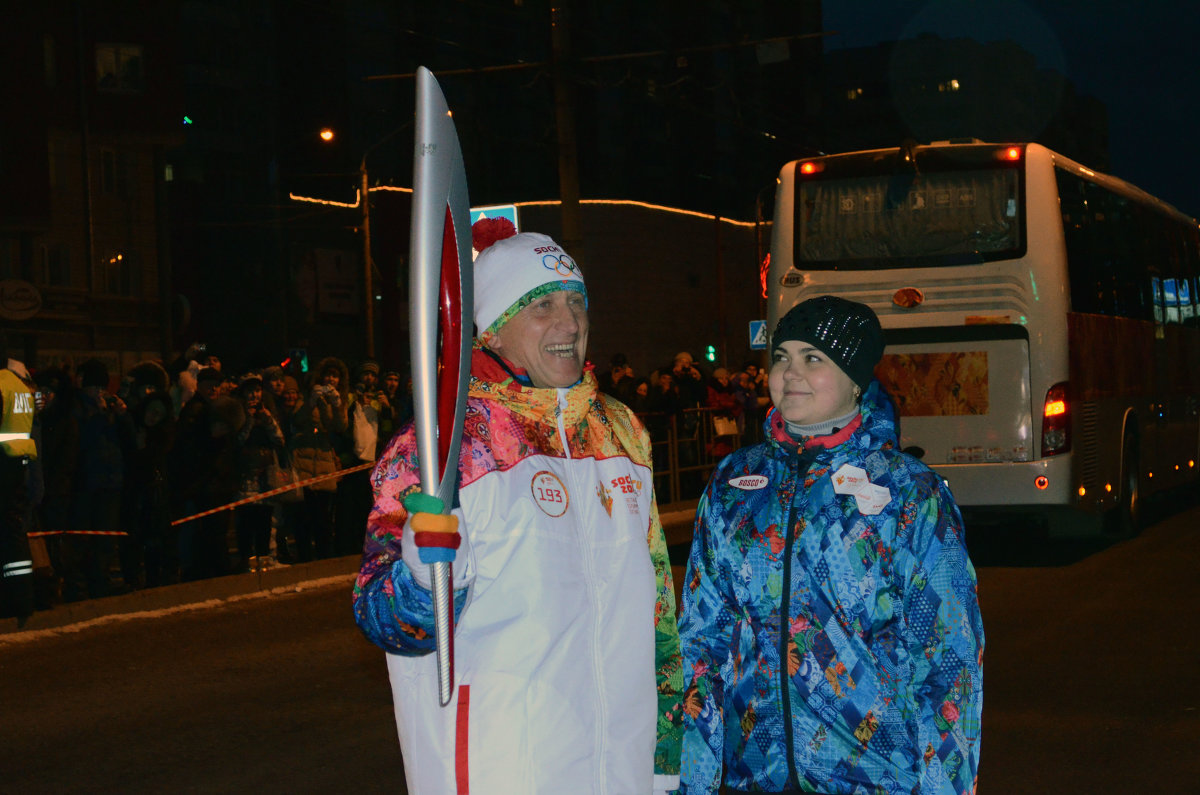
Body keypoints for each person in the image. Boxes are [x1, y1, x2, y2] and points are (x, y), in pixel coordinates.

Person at [354, 230, 683, 794]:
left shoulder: (622, 431)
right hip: (502, 761)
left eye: (577, 301)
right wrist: (419, 573)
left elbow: (657, 609)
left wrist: (666, 752)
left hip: (619, 764)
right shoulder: (442, 445)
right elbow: (386, 622)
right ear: (493, 328)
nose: (570, 322)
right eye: (542, 306)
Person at [676, 296, 984, 795]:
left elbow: (949, 664)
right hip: (752, 777)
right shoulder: (735, 482)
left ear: (856, 378)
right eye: (781, 357)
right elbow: (701, 641)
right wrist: (694, 780)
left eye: (813, 358)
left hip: (877, 779)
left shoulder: (909, 494)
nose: (790, 373)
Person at [1, 333, 37, 626]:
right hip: (16, 463)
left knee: (7, 535)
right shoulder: (18, 385)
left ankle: (11, 602)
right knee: (13, 533)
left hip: (1, 463)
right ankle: (22, 601)